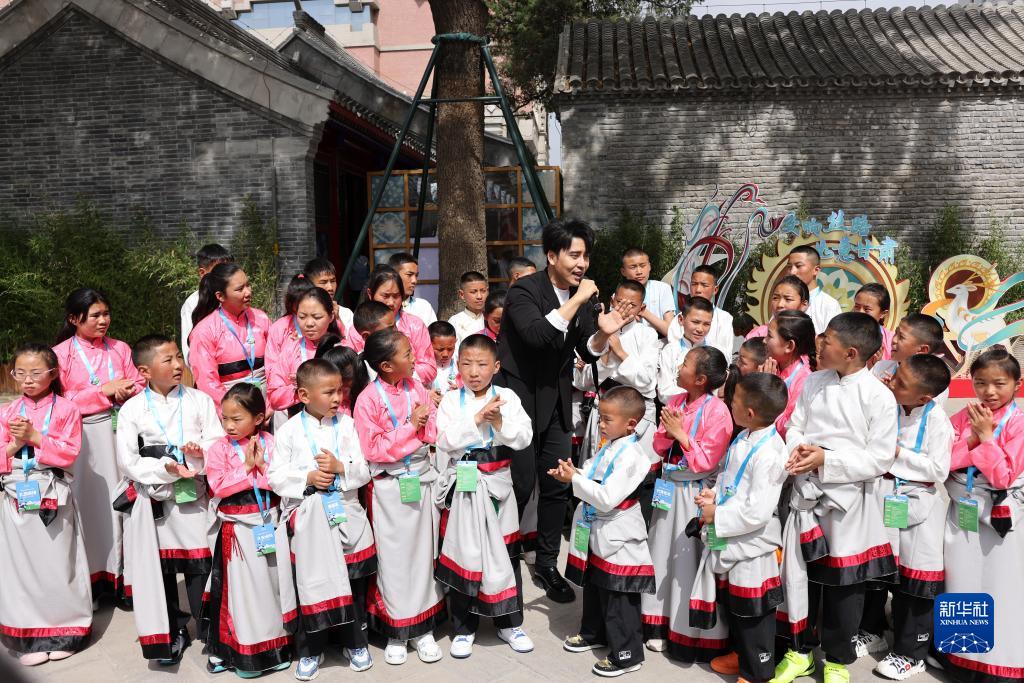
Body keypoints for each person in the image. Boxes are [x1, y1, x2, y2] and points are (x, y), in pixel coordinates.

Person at [496, 218, 635, 603]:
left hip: (555, 399)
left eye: (585, 256)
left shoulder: (583, 296)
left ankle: (546, 564)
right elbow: (538, 336)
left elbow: (584, 351)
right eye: (574, 255)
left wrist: (604, 332)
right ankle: (501, 561)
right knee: (520, 484)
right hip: (517, 400)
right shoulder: (524, 291)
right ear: (552, 256)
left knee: (558, 483)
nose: (582, 264)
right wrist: (577, 299)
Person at [774, 313, 898, 683]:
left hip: (849, 505)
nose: (820, 344)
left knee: (845, 587)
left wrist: (827, 459)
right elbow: (795, 425)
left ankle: (836, 661)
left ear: (851, 352)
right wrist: (799, 448)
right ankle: (799, 652)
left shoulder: (878, 397)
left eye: (827, 339)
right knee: (800, 578)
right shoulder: (815, 381)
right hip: (807, 493)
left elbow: (879, 458)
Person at [115, 335, 224, 665]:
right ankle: (174, 629)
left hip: (193, 495)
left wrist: (197, 455)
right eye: (168, 360)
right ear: (144, 371)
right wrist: (167, 469)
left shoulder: (199, 400)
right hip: (156, 500)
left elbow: (216, 441)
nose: (178, 365)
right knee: (161, 568)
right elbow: (128, 461)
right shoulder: (132, 409)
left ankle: (209, 630)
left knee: (200, 562)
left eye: (179, 356)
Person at [268, 358, 374, 680]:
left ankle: (354, 642)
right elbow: (275, 476)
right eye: (329, 392)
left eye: (340, 391)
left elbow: (364, 468)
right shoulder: (288, 431)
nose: (337, 398)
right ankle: (311, 648)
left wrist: (341, 468)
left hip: (346, 514)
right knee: (311, 584)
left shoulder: (348, 425)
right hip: (309, 520)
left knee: (351, 583)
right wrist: (308, 477)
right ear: (304, 395)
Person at [435, 334, 535, 658]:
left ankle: (510, 623)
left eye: (481, 364)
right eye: (467, 364)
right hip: (466, 485)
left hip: (498, 486)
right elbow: (443, 440)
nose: (474, 372)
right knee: (466, 554)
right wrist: (476, 419)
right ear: (458, 365)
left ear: (496, 366)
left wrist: (500, 422)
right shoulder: (452, 400)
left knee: (505, 553)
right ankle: (464, 627)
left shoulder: (507, 397)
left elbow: (524, 437)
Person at [352, 329, 446, 665]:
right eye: (407, 353)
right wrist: (410, 426)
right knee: (393, 560)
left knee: (423, 554)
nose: (414, 357)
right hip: (389, 488)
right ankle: (396, 630)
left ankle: (423, 628)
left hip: (420, 481)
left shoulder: (416, 387)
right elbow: (373, 448)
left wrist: (420, 424)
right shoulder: (367, 399)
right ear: (386, 366)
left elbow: (432, 430)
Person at [855, 355, 952, 680]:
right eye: (895, 376)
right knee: (876, 571)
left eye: (901, 383)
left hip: (917, 502)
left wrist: (898, 453)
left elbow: (938, 469)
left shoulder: (938, 422)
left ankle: (912, 654)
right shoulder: (889, 404)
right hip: (884, 496)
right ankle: (873, 631)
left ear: (924, 398)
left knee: (915, 581)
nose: (892, 383)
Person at [692, 372, 790, 683]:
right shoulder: (744, 435)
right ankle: (741, 654)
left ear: (749, 412)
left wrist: (716, 515)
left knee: (753, 610)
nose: (728, 404)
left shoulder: (771, 452)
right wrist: (714, 495)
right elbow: (729, 478)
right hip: (731, 536)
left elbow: (756, 512)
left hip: (753, 543)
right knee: (734, 603)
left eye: (733, 401)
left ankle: (757, 670)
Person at [553, 386, 656, 677]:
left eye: (607, 419)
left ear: (631, 423)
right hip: (600, 529)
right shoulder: (610, 445)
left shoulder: (633, 456)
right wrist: (572, 474)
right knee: (597, 587)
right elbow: (592, 472)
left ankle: (627, 654)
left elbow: (608, 496)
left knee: (618, 595)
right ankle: (594, 633)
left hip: (619, 533)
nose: (600, 424)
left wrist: (576, 481)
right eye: (601, 417)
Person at [0, 343, 91, 666]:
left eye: (36, 372)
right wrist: (15, 444)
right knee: (21, 566)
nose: (27, 379)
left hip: (53, 491)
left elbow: (70, 453)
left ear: (53, 374)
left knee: (59, 561)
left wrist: (36, 437)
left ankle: (68, 631)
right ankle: (29, 636)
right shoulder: (6, 412)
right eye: (20, 373)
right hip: (17, 494)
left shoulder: (67, 409)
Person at [53, 288, 144, 604]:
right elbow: (60, 400)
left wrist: (126, 390)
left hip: (122, 431)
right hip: (85, 438)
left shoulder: (120, 348)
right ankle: (94, 579)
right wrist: (103, 391)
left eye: (106, 314)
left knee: (126, 501)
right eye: (95, 315)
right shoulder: (60, 354)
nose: (103, 320)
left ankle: (126, 580)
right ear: (74, 319)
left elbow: (139, 382)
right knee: (93, 507)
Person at [642, 347, 732, 661]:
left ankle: (687, 633)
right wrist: (669, 434)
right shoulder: (677, 401)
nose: (679, 367)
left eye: (685, 364)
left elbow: (706, 460)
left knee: (686, 561)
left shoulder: (718, 412)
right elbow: (658, 443)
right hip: (668, 487)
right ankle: (656, 623)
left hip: (693, 492)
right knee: (661, 553)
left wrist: (680, 434)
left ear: (701, 379)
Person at [942, 347, 1023, 682]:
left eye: (999, 384)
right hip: (963, 510)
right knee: (961, 581)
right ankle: (960, 658)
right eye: (980, 383)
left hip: (1000, 519)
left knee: (1001, 587)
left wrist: (984, 439)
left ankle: (1001, 664)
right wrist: (977, 439)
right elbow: (943, 461)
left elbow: (1004, 477)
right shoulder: (964, 416)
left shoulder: (1019, 423)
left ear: (1017, 384)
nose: (989, 391)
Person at [201, 383, 292, 678]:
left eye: (236, 419)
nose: (229, 425)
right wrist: (246, 468)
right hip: (238, 530)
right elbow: (218, 485)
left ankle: (275, 648)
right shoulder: (218, 449)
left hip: (268, 523)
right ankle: (238, 652)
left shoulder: (272, 443)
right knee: (240, 594)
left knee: (272, 587)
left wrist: (261, 466)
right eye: (224, 418)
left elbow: (280, 480)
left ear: (259, 418)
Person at [573, 281, 660, 524]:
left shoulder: (647, 335)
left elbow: (646, 380)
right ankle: (592, 522)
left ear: (642, 308)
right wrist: (606, 359)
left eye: (632, 305)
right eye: (620, 302)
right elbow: (583, 381)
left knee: (634, 474)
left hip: (636, 412)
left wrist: (620, 352)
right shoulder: (599, 332)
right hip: (605, 411)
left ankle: (633, 524)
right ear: (611, 300)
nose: (624, 308)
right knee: (598, 468)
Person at [189, 263, 272, 410]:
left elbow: (277, 363)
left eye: (248, 285)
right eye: (240, 289)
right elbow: (207, 381)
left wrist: (272, 403)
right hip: (230, 406)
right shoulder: (204, 331)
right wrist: (235, 412)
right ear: (220, 296)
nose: (248, 292)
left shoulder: (261, 318)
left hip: (267, 401)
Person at [266, 286, 343, 421]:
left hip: (338, 421)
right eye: (302, 317)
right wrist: (298, 389)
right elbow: (274, 396)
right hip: (301, 425)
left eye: (317, 317)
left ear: (331, 316)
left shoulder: (341, 349)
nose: (309, 323)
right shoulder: (290, 351)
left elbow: (353, 391)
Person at [352, 268, 437, 387]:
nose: (391, 302)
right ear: (370, 294)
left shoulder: (415, 324)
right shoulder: (358, 329)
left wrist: (400, 373)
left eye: (396, 296)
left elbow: (430, 368)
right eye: (385, 296)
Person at [871, 314, 949, 406]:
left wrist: (891, 393)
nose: (894, 340)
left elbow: (918, 413)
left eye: (901, 337)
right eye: (896, 333)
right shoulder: (881, 367)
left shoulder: (931, 386)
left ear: (922, 350)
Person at [761, 310, 816, 439]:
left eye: (769, 336)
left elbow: (786, 428)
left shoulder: (804, 380)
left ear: (789, 346)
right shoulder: (771, 365)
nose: (764, 340)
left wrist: (766, 389)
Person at [181, 244, 233, 366]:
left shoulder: (234, 296)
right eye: (219, 271)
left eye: (229, 270)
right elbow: (189, 349)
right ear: (202, 273)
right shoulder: (192, 303)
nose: (226, 276)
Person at [668, 265, 734, 361]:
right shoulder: (680, 318)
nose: (698, 290)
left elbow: (725, 357)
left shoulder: (724, 319)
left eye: (704, 285)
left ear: (715, 289)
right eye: (694, 284)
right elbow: (672, 353)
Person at [657, 296, 714, 403]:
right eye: (695, 322)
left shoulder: (714, 351)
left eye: (706, 324)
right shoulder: (671, 351)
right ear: (681, 320)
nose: (700, 329)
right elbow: (664, 391)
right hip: (676, 410)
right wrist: (695, 396)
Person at [620, 247, 675, 338]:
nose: (639, 272)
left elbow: (671, 332)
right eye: (633, 267)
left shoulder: (662, 289)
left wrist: (643, 312)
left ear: (649, 266)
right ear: (623, 271)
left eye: (642, 266)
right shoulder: (619, 295)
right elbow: (617, 330)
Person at [788, 245, 842, 334]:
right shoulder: (784, 301)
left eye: (798, 266)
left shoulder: (829, 305)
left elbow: (833, 339)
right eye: (790, 267)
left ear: (816, 270)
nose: (792, 272)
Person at [303, 257, 355, 332]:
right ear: (310, 284)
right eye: (323, 282)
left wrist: (338, 319)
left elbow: (352, 338)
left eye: (333, 281)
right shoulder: (301, 315)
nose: (330, 287)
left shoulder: (345, 314)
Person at [388, 252, 437, 325]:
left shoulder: (423, 307)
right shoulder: (383, 305)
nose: (414, 281)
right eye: (409, 275)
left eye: (416, 275)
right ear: (394, 275)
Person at [853, 283, 893, 364]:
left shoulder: (891, 342)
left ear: (883, 313)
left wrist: (879, 364)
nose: (860, 312)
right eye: (857, 306)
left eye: (867, 309)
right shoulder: (841, 331)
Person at [449, 271, 489, 343]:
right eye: (473, 292)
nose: (479, 296)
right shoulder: (455, 321)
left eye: (483, 291)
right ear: (462, 294)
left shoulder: (491, 319)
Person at [428, 320, 459, 402]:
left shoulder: (459, 362)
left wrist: (459, 390)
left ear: (455, 342)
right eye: (440, 349)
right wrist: (426, 394)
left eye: (450, 349)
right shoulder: (421, 366)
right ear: (429, 344)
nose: (445, 354)